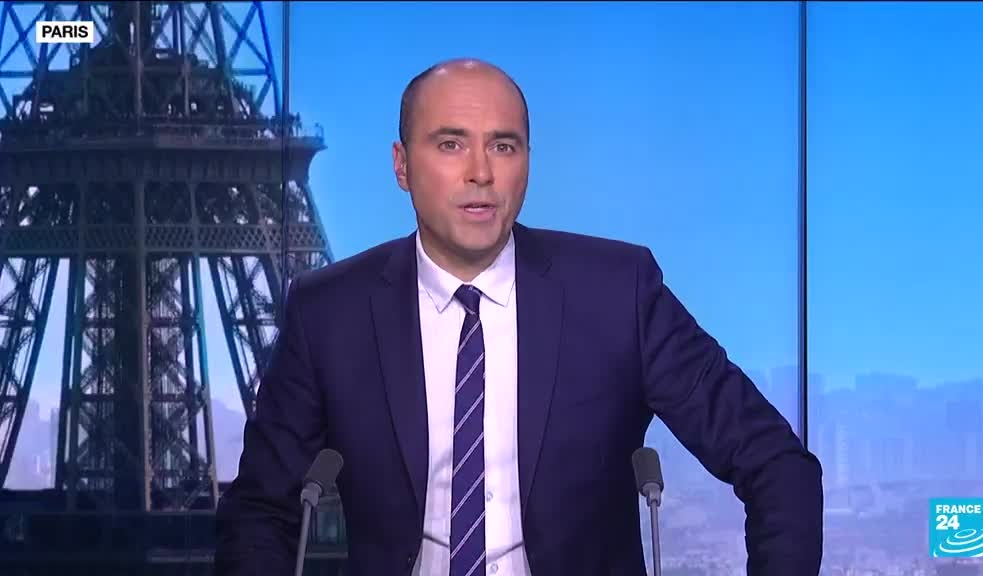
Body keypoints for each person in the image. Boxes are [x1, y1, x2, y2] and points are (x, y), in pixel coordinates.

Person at [214, 58, 823, 576]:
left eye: (503, 146)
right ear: (401, 165)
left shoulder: (618, 294)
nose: (481, 172)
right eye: (451, 144)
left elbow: (776, 464)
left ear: (527, 161)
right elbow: (261, 511)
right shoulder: (329, 312)